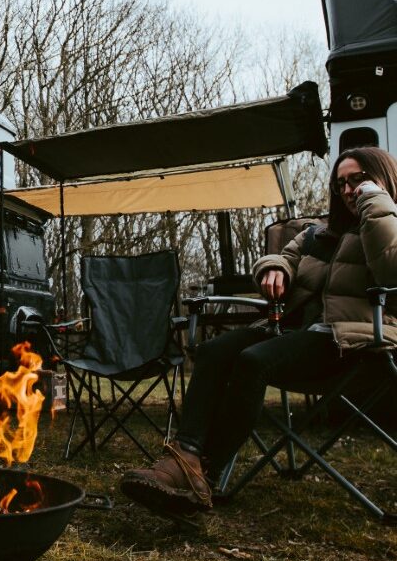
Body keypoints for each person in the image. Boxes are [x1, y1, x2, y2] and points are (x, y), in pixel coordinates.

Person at [120, 146, 397, 518]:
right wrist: (275, 269)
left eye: (359, 179)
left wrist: (376, 203)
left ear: (383, 179)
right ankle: (184, 456)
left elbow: (391, 272)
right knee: (214, 351)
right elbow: (285, 254)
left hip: (353, 344)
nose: (348, 190)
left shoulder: (386, 222)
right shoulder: (320, 234)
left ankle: (208, 472)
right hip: (296, 333)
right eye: (341, 183)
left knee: (252, 362)